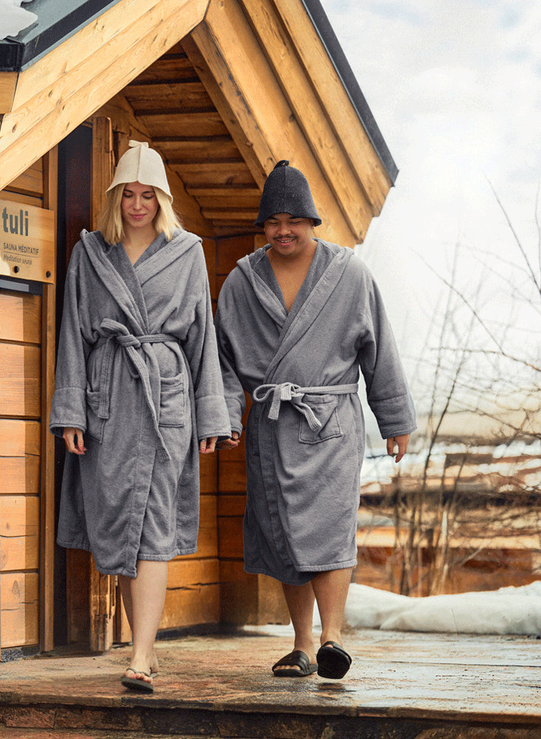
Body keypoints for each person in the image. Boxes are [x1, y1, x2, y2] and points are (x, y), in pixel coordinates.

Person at [215, 159, 416, 680]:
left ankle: (333, 638)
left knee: (329, 529)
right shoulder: (241, 282)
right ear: (264, 226)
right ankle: (302, 644)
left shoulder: (349, 274)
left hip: (331, 424)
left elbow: (380, 349)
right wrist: (226, 415)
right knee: (282, 531)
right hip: (273, 424)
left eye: (294, 221)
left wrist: (394, 419)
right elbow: (222, 359)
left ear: (312, 221)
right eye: (274, 222)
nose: (284, 231)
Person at [50, 140, 231, 692]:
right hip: (108, 398)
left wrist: (210, 417)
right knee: (121, 530)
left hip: (166, 399)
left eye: (146, 195)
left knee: (152, 524)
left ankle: (140, 655)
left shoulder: (188, 251)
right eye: (127, 195)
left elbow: (204, 338)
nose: (136, 205)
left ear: (163, 199)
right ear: (114, 198)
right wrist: (71, 411)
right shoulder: (91, 253)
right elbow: (73, 337)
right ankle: (143, 652)